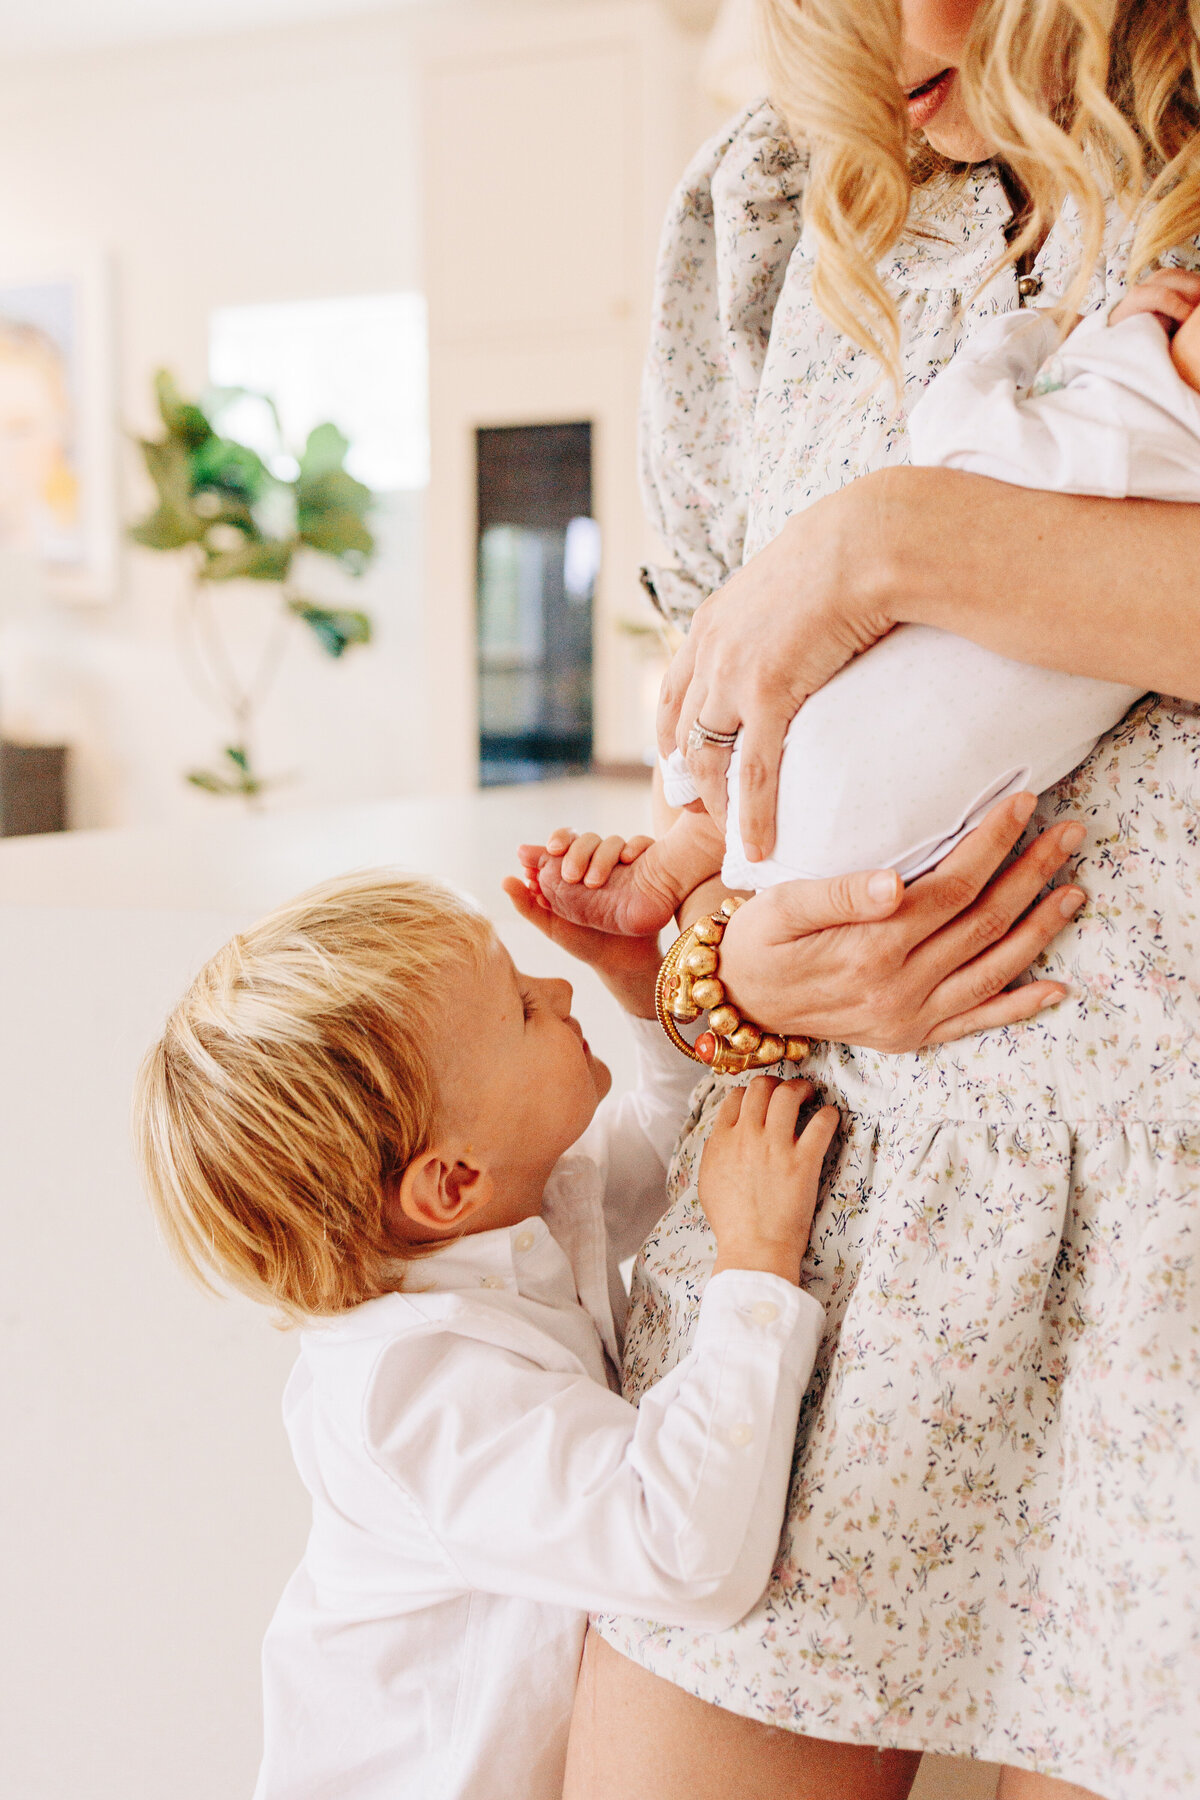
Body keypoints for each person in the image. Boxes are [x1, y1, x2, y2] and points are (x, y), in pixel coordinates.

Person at [561, 4, 1200, 1798]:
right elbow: (716, 763)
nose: (888, 28)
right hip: (825, 1252)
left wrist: (892, 537)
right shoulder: (776, 206)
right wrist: (725, 967)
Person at [133, 870, 839, 1800]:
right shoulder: (417, 1394)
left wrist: (644, 992)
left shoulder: (496, 1222)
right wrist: (753, 1262)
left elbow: (672, 1144)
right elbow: (682, 1550)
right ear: (450, 1183)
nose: (556, 991)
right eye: (520, 1011)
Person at [529, 269, 1200, 943]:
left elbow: (959, 407)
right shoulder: (1134, 430)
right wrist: (716, 973)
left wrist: (1053, 329)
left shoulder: (1088, 415)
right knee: (793, 771)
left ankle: (690, 870)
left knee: (789, 761)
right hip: (917, 806)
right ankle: (686, 871)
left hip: (887, 790)